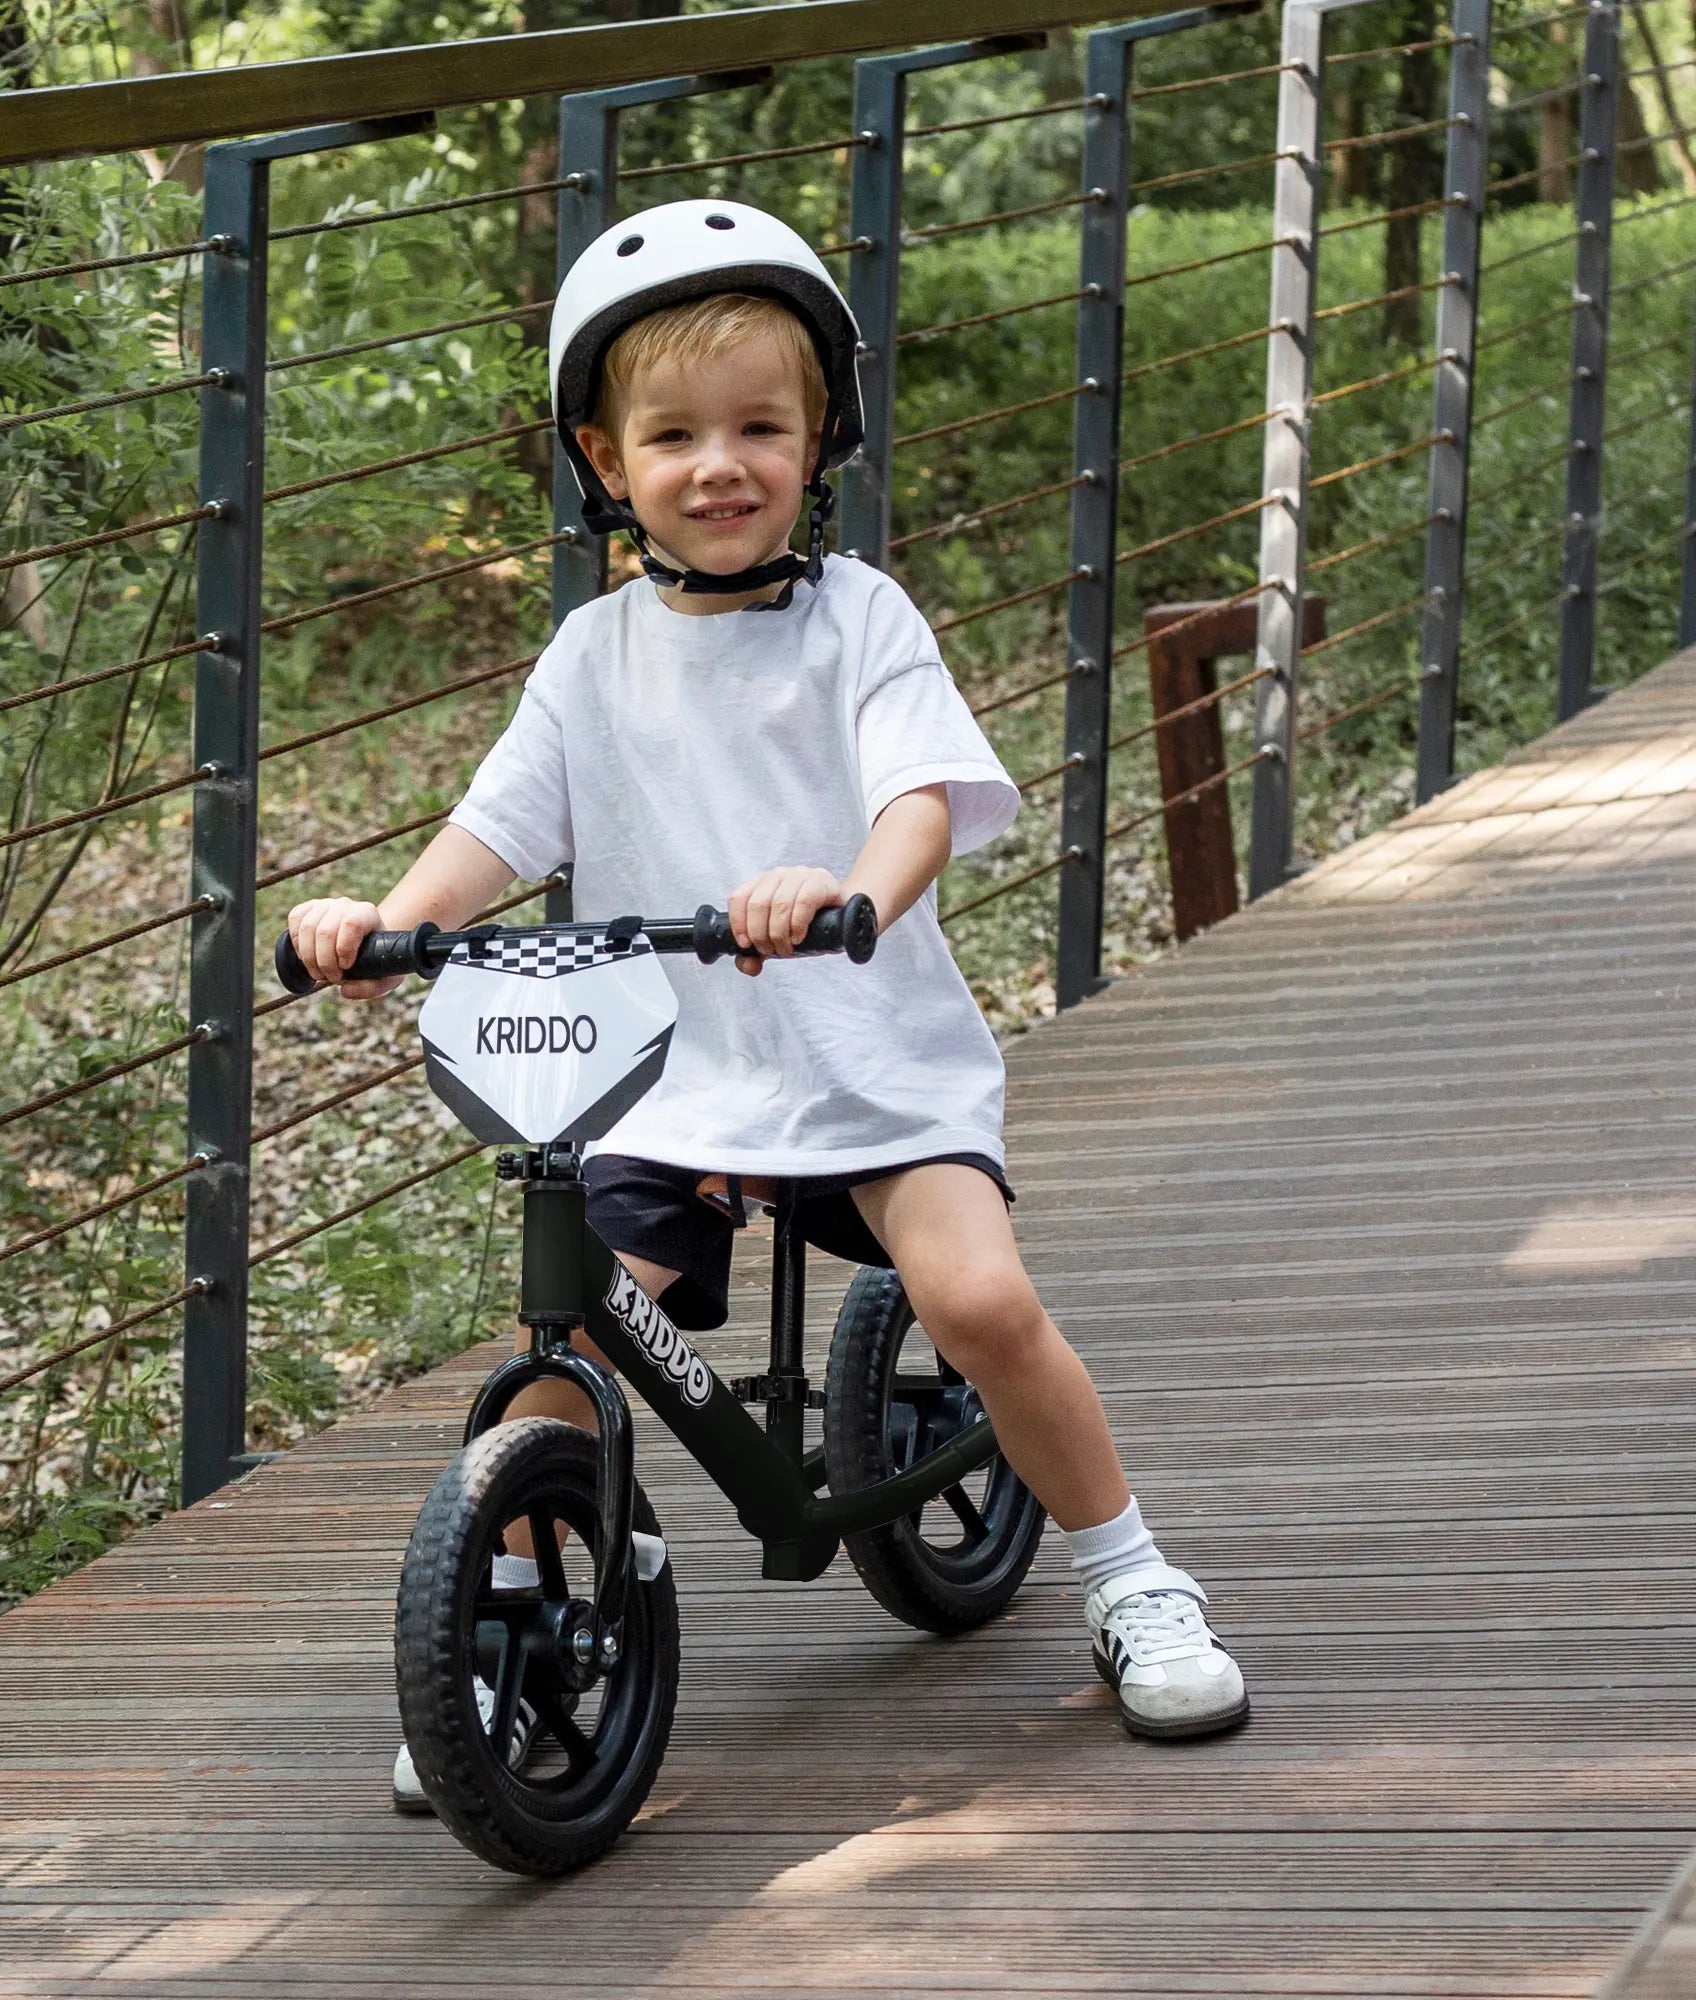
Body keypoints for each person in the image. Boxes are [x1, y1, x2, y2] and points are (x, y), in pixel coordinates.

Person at [286, 201, 1249, 1807]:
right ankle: (505, 1635)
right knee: (556, 1346)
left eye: (760, 428)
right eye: (673, 434)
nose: (718, 465)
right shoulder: (589, 658)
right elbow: (495, 835)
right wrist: (383, 922)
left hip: (864, 1053)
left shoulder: (858, 620)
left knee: (980, 1303)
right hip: (665, 1076)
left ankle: (1128, 1573)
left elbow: (923, 803)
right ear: (606, 461)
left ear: (820, 442)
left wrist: (844, 886)